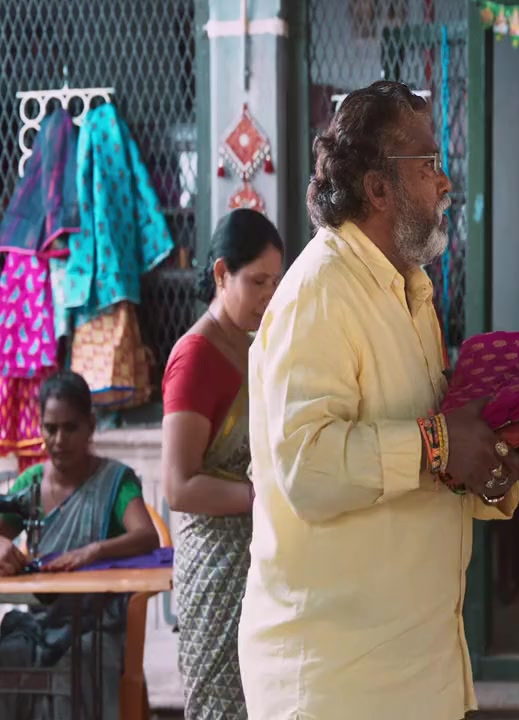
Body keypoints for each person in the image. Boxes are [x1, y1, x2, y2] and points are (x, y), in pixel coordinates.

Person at [237, 81, 519, 720]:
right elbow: (308, 468)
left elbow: (424, 452)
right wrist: (440, 444)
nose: (445, 183)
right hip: (337, 680)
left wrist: (490, 457)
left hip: (409, 668)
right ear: (377, 188)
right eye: (429, 165)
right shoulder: (320, 291)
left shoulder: (407, 289)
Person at [161, 208, 283, 720]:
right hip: (215, 568)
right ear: (220, 274)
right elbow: (179, 486)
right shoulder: (195, 357)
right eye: (257, 281)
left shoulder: (258, 346)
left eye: (275, 283)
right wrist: (263, 497)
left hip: (260, 557)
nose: (268, 296)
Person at [0, 371, 159, 720]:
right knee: (7, 656)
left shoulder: (115, 481)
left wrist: (93, 551)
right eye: (50, 428)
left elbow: (147, 536)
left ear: (91, 426)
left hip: (97, 626)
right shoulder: (31, 484)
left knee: (75, 667)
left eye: (70, 428)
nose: (59, 440)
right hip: (41, 624)